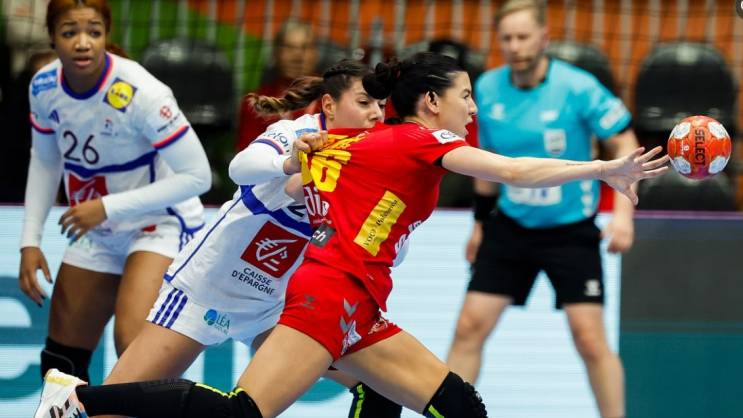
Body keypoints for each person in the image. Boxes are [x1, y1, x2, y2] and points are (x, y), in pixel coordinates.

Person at [34, 51, 668, 418]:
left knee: (458, 406)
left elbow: (362, 191)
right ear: (431, 103)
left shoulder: (362, 143)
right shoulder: (409, 139)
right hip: (298, 291)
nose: (475, 108)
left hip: (347, 300)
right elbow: (511, 171)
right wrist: (604, 169)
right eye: (466, 95)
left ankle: (83, 398)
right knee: (237, 413)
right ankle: (80, 397)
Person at [92, 58, 402, 418]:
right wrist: (290, 164)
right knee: (111, 408)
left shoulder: (372, 159)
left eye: (381, 105)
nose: (376, 114)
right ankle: (71, 397)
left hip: (275, 309)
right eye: (364, 102)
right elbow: (239, 168)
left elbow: (392, 250)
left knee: (380, 385)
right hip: (209, 289)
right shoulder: (296, 133)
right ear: (330, 106)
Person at [445, 1, 639, 417]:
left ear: (544, 38)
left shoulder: (578, 86)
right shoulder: (488, 89)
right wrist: (479, 226)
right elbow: (486, 165)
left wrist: (623, 216)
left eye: (523, 37)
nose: (515, 46)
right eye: (507, 39)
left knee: (590, 339)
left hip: (571, 229)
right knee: (468, 327)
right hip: (510, 226)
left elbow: (624, 143)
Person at [19, 0, 210, 384]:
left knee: (135, 349)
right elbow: (44, 161)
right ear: (52, 38)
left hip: (159, 222)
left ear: (106, 35)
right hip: (98, 227)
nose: (83, 43)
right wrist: (29, 241)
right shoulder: (43, 86)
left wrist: (106, 206)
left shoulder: (143, 93)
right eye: (69, 32)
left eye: (94, 31)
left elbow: (198, 176)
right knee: (60, 362)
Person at [235, 18, 319, 152]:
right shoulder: (256, 102)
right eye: (289, 47)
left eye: (305, 47)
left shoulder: (333, 98)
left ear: (315, 54)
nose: (297, 56)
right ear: (276, 53)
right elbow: (247, 154)